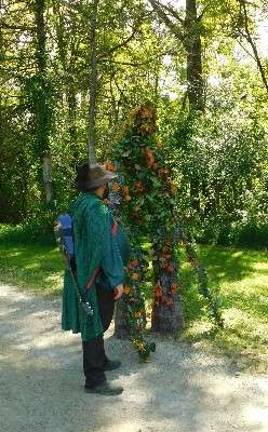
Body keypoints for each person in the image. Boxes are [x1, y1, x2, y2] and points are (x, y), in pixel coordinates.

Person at [62, 163, 130, 396]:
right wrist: (116, 279)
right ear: (100, 185)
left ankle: (100, 361)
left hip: (83, 272)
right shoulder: (97, 210)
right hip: (95, 276)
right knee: (96, 322)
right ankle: (95, 379)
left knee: (96, 320)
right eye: (106, 182)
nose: (108, 185)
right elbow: (105, 248)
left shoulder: (80, 203)